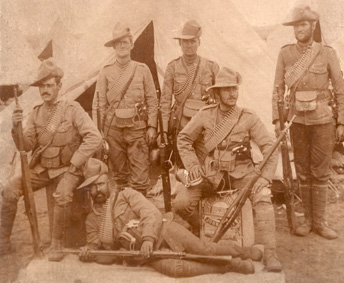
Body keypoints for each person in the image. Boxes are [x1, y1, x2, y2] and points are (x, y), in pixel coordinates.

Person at [77, 158, 264, 277]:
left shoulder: (126, 195)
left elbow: (150, 213)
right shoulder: (92, 220)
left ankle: (244, 252)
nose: (97, 190)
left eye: (100, 184)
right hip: (147, 254)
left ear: (108, 182)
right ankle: (228, 266)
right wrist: (90, 254)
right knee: (177, 269)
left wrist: (148, 239)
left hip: (164, 231)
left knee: (203, 249)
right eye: (92, 188)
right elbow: (107, 256)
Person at [176, 67, 282, 272]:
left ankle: (270, 253)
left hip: (243, 174)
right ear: (217, 93)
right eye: (226, 90)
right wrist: (193, 166)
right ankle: (202, 234)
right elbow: (184, 138)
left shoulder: (248, 117)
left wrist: (265, 177)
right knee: (182, 203)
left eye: (234, 89)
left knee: (263, 198)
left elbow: (270, 146)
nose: (232, 94)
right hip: (211, 175)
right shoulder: (204, 115)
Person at [0, 59, 103, 261]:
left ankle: (57, 245)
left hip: (67, 169)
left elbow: (95, 137)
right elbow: (26, 145)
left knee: (62, 196)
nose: (45, 90)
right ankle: (3, 242)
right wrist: (16, 127)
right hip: (41, 169)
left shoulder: (72, 109)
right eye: (42, 86)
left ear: (59, 86)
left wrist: (75, 163)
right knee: (10, 190)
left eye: (49, 85)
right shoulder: (37, 113)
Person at [272, 5, 344, 239]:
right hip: (296, 121)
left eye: (303, 24)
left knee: (321, 172)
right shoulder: (285, 53)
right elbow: (277, 89)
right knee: (303, 172)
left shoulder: (326, 53)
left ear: (313, 26)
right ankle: (306, 220)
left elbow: (340, 90)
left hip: (323, 120)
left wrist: (341, 122)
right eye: (296, 25)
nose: (299, 29)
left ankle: (321, 221)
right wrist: (277, 119)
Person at [92, 22, 158, 196]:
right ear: (113, 46)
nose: (121, 46)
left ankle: (140, 216)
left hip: (137, 130)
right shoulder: (105, 72)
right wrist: (99, 131)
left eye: (125, 42)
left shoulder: (142, 70)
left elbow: (152, 100)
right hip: (113, 130)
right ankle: (123, 216)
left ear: (131, 44)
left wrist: (152, 126)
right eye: (118, 43)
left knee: (140, 178)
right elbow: (98, 104)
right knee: (120, 177)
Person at [160, 20, 219, 167]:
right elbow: (165, 101)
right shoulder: (172, 67)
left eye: (192, 41)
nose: (188, 45)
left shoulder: (211, 67)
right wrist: (164, 131)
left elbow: (219, 100)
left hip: (206, 127)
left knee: (208, 164)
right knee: (183, 167)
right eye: (184, 42)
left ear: (199, 42)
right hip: (181, 125)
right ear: (180, 44)